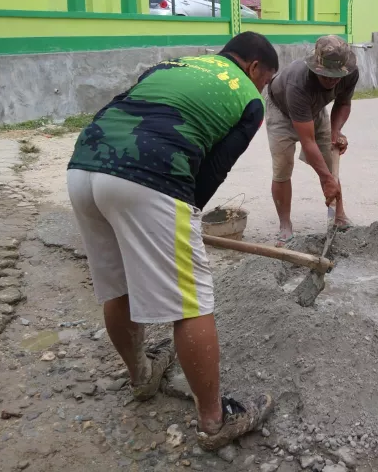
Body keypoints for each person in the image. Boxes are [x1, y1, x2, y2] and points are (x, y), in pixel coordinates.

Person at [66, 32, 279, 449]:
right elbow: (215, 167)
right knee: (191, 302)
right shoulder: (248, 99)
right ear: (254, 68)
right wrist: (187, 213)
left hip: (84, 168)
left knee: (119, 285)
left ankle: (141, 379)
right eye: (265, 80)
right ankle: (215, 423)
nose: (262, 90)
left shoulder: (174, 64)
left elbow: (125, 106)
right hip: (148, 176)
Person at [265, 35, 357, 246]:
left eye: (337, 76)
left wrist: (336, 132)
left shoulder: (350, 73)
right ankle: (285, 225)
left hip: (314, 110)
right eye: (326, 76)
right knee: (283, 166)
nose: (333, 80)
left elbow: (343, 103)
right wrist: (325, 180)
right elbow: (308, 141)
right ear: (316, 66)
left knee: (329, 161)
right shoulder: (298, 82)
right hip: (282, 111)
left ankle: (338, 217)